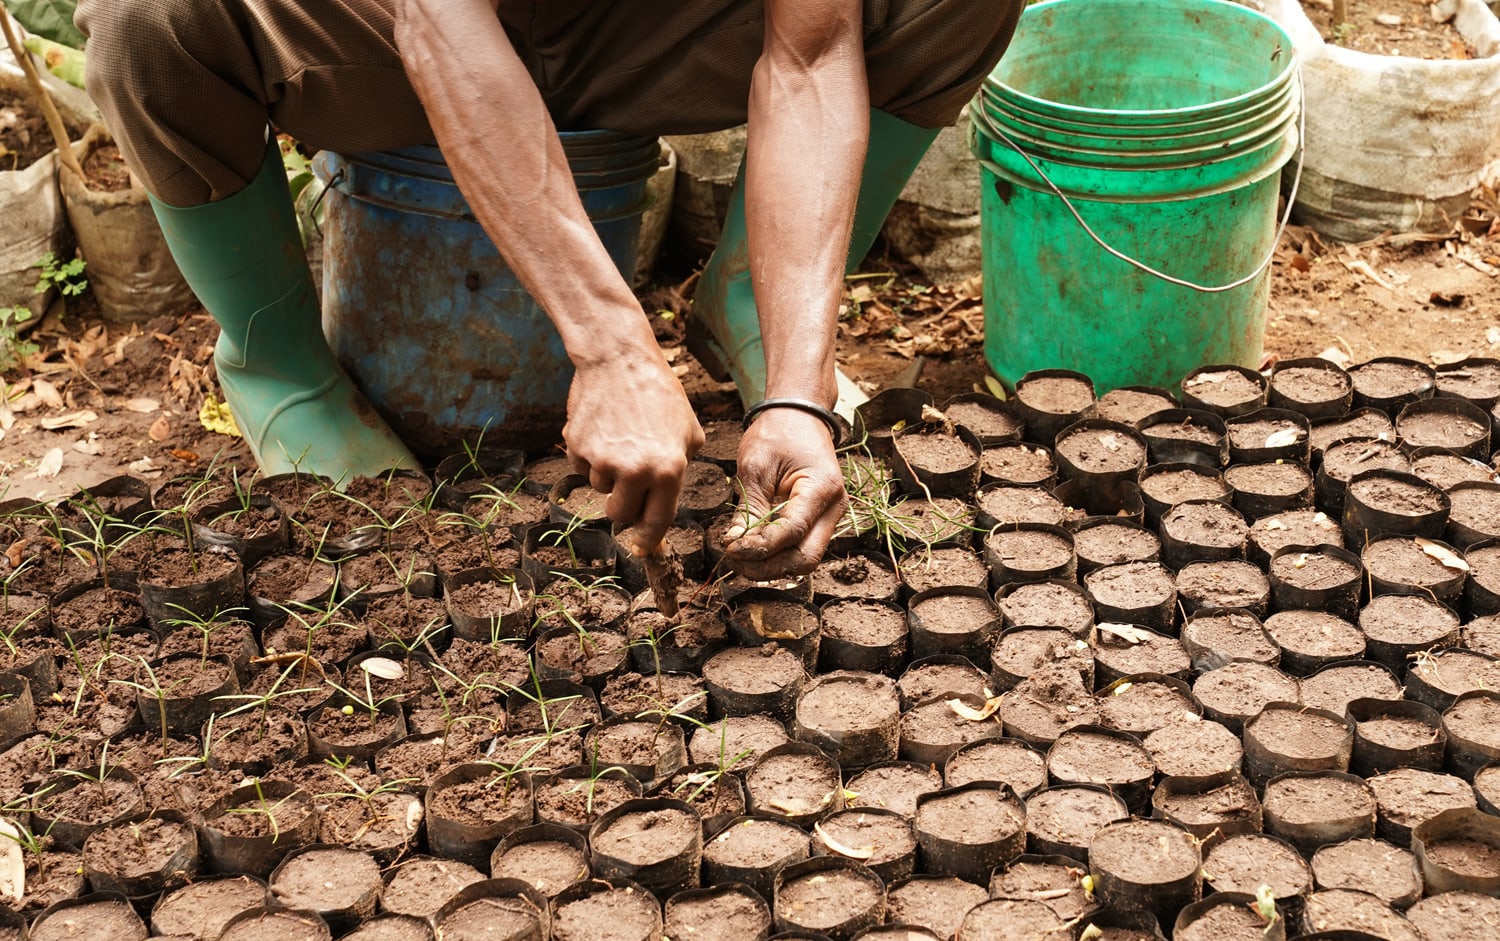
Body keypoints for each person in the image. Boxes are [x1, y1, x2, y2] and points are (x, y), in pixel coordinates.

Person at [75, 0, 1019, 578]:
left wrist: (794, 393)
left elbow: (812, 55)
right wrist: (611, 347)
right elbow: (440, 20)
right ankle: (279, 365)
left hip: (641, 39)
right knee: (149, 18)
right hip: (397, 32)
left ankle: (747, 307)